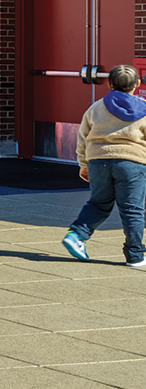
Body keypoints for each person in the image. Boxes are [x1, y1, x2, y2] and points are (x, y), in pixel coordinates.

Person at [64, 63, 146, 266]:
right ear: (137, 83)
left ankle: (77, 235)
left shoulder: (96, 107)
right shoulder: (144, 109)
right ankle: (135, 255)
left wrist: (83, 164)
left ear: (109, 84)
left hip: (98, 160)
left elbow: (83, 137)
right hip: (132, 163)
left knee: (99, 202)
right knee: (132, 209)